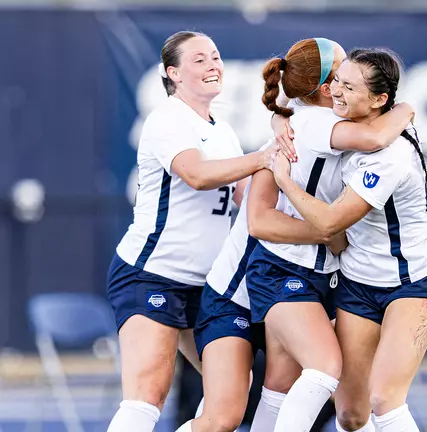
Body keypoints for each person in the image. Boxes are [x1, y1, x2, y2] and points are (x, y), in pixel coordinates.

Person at [270, 47, 427, 432]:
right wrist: (276, 117)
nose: (335, 90)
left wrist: (283, 179)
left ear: (380, 99)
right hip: (358, 279)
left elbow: (331, 222)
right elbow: (287, 97)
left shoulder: (390, 152)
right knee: (351, 415)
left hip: (413, 279)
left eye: (348, 86)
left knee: (384, 400)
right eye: (336, 79)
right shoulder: (345, 123)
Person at [105, 30, 276, 432]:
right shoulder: (167, 118)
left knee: (229, 405)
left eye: (215, 56)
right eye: (199, 59)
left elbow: (248, 201)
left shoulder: (223, 130)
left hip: (208, 285)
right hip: (153, 273)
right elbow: (197, 175)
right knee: (148, 393)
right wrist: (263, 156)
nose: (213, 65)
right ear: (174, 73)